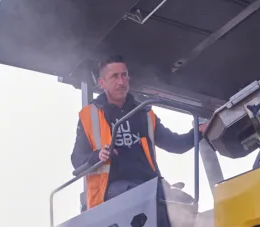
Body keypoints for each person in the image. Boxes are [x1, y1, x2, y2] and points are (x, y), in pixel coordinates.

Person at [71, 54, 208, 209]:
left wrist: (199, 132)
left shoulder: (143, 112)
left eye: (124, 76)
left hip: (148, 183)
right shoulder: (89, 116)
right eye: (114, 77)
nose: (121, 82)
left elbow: (174, 144)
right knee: (142, 194)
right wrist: (98, 156)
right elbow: (77, 160)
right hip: (111, 190)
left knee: (184, 202)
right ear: (102, 83)